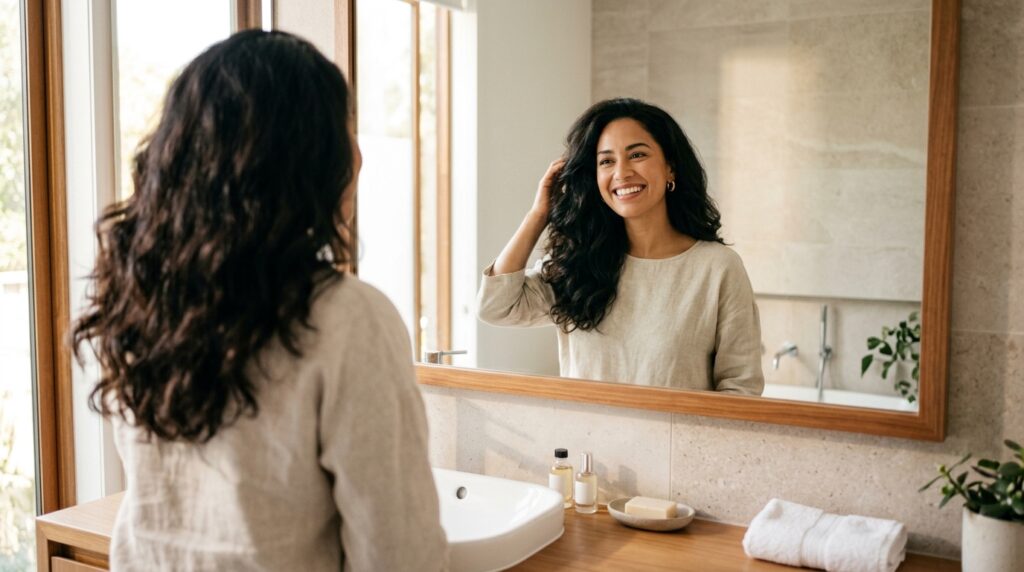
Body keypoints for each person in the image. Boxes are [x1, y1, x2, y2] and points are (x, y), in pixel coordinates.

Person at [72, 30, 447, 571]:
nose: (360, 155)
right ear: (304, 158)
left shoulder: (141, 302)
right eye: (345, 130)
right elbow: (400, 555)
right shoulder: (346, 318)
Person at [477, 98, 764, 395]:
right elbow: (495, 308)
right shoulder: (577, 264)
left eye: (637, 155)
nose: (622, 172)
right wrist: (538, 214)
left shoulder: (718, 267)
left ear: (671, 168)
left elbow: (741, 388)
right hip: (584, 427)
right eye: (606, 161)